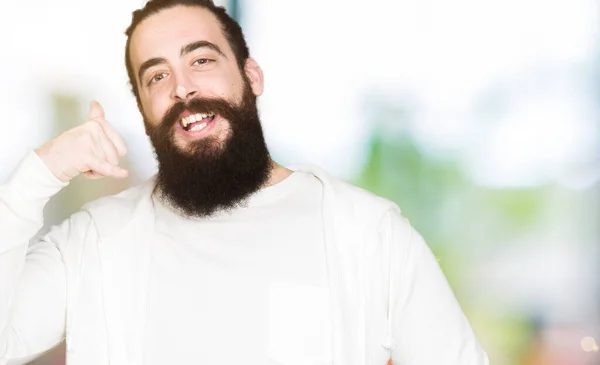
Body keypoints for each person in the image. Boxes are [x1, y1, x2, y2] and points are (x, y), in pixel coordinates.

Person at [0, 1, 489, 364]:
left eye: (202, 60)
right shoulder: (94, 240)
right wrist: (38, 174)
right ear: (145, 111)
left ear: (251, 76)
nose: (182, 88)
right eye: (156, 77)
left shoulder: (369, 234)